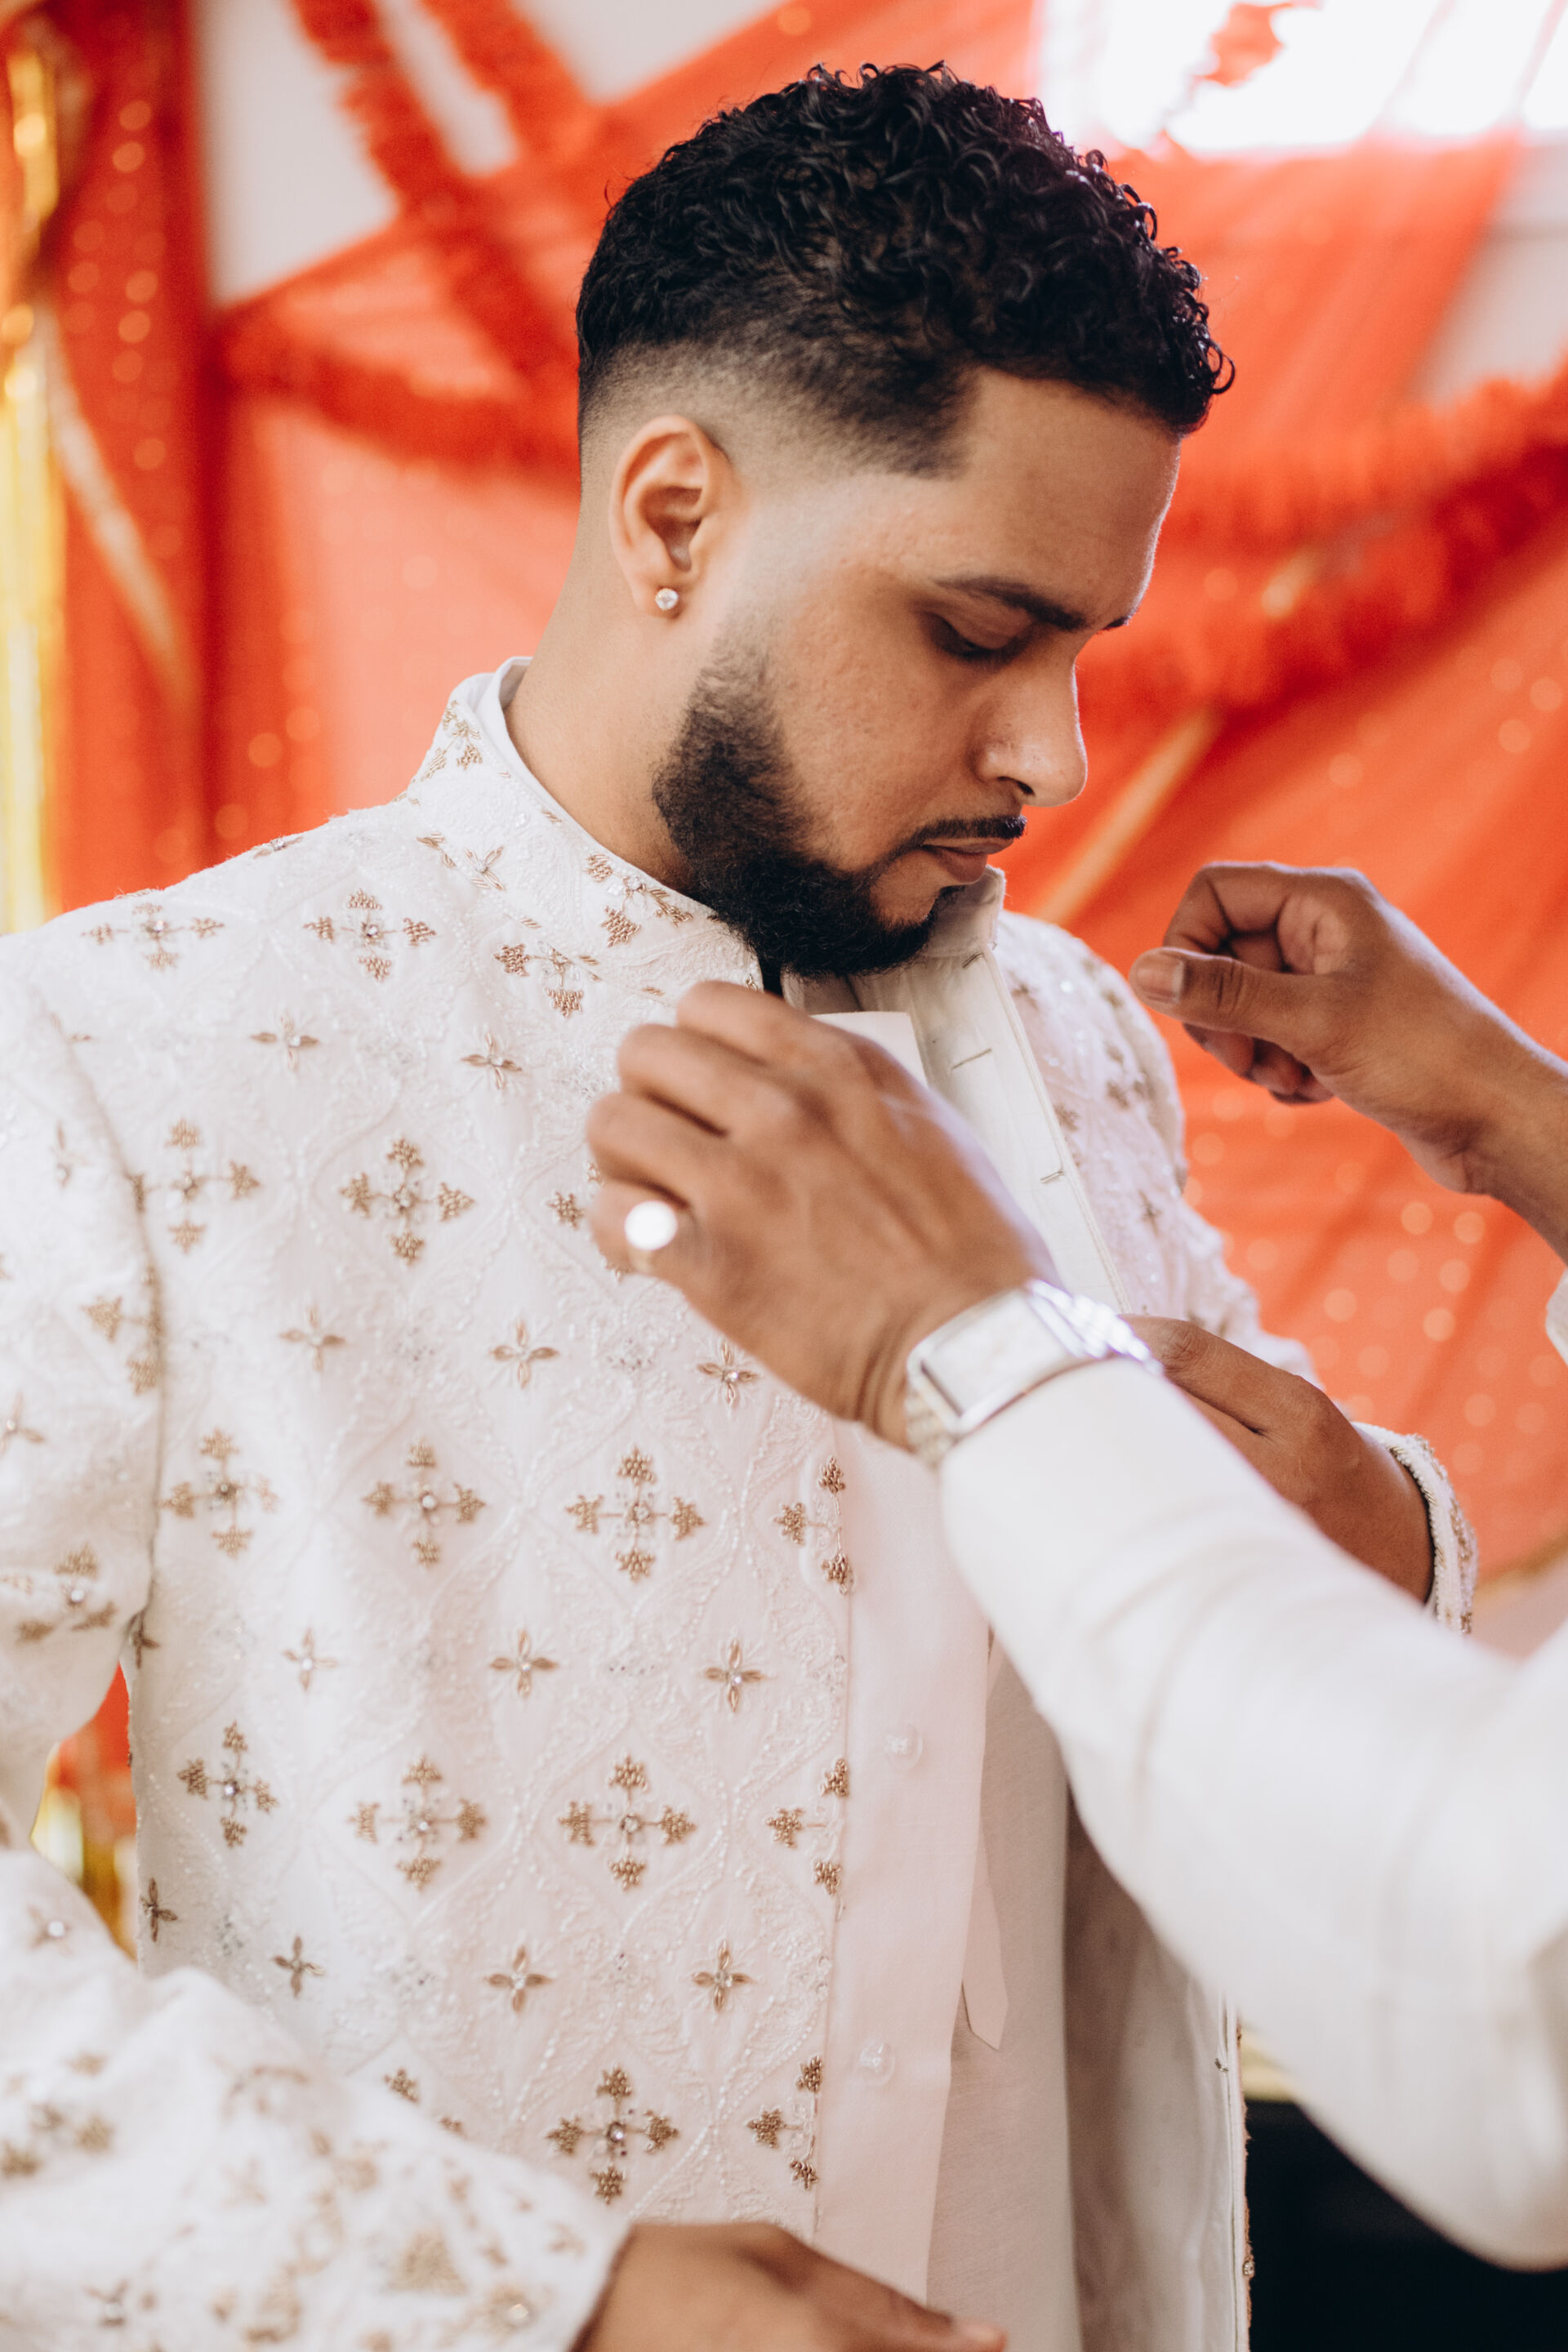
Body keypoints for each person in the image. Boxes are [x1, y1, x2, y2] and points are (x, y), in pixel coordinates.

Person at [0, 62, 1468, 2347]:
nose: (1054, 756)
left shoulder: (1075, 1042)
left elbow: (1252, 1646)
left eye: (1080, 651)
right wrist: (546, 2296)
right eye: (975, 634)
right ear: (672, 514)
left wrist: (1391, 1538)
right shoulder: (137, 1049)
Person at [583, 861, 1568, 2268]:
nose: (1055, 765)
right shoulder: (252, 1000)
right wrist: (1517, 1119)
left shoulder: (1065, 1019)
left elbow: (1513, 1980)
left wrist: (981, 1353)